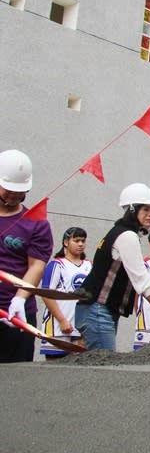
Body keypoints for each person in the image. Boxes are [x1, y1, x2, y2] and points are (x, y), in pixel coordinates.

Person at [75, 183, 150, 351]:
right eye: (145, 209)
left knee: (99, 369)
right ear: (132, 210)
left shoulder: (120, 232)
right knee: (104, 369)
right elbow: (141, 279)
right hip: (98, 310)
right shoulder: (126, 236)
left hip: (98, 310)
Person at [0, 149, 54, 363]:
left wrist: (19, 300)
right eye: (8, 190)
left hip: (16, 315)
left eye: (19, 191)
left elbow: (36, 266)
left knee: (15, 382)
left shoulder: (37, 223)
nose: (13, 195)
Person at [39, 227, 92, 358]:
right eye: (76, 240)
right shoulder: (57, 265)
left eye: (83, 241)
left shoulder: (89, 265)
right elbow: (46, 294)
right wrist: (62, 320)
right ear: (66, 242)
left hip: (81, 328)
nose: (80, 244)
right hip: (58, 327)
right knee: (55, 369)